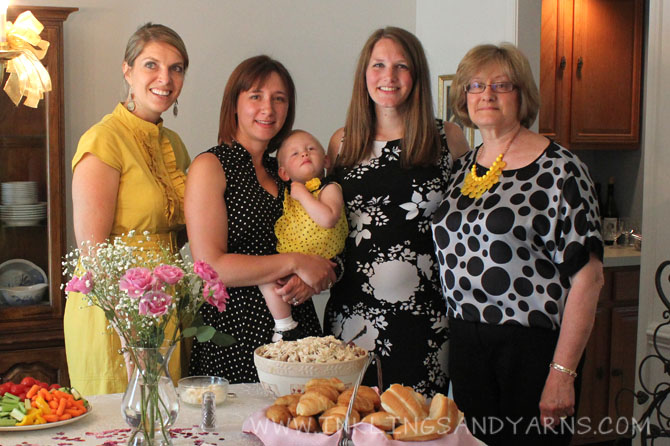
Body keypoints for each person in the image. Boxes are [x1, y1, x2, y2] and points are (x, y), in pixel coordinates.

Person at [431, 43, 604, 445]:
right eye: (475, 86)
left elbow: (589, 280)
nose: (486, 94)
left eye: (500, 85)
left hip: (531, 349)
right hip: (468, 343)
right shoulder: (463, 168)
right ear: (463, 97)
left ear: (522, 95)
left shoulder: (560, 169)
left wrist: (561, 374)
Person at [323, 26, 470, 397]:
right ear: (364, 74)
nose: (389, 77)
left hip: (425, 320)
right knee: (349, 425)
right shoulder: (342, 143)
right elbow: (328, 231)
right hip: (352, 318)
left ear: (416, 75)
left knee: (415, 429)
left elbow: (466, 227)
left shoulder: (447, 137)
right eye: (379, 65)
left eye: (401, 66)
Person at [185, 56, 336, 382]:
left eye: (279, 99)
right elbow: (212, 267)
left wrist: (311, 278)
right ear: (235, 104)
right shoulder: (211, 166)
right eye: (256, 96)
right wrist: (295, 262)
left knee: (305, 425)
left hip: (298, 327)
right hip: (235, 332)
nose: (268, 108)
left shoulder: (285, 171)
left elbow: (323, 241)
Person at [64, 23, 190, 395]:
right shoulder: (103, 139)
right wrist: (129, 326)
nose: (164, 78)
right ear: (128, 70)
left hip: (164, 303)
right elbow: (93, 251)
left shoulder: (174, 143)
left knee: (164, 420)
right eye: (151, 65)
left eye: (176, 68)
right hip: (113, 312)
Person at [260, 129, 348, 342]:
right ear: (284, 173)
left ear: (326, 160)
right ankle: (284, 326)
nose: (304, 155)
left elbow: (328, 219)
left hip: (320, 259)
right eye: (295, 153)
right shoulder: (286, 196)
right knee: (264, 276)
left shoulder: (329, 188)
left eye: (311, 149)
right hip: (292, 260)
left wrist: (304, 196)